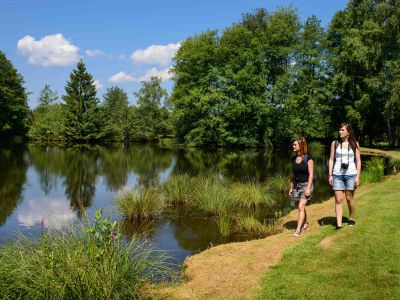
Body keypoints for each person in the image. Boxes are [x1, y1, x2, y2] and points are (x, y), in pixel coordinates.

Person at [328, 123, 361, 229]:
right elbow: (331, 159)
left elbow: (358, 161)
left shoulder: (354, 144)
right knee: (338, 199)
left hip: (351, 174)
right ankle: (338, 224)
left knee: (349, 198)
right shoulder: (335, 143)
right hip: (337, 174)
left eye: (342, 130)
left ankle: (351, 218)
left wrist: (357, 176)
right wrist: (330, 175)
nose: (340, 132)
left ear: (348, 132)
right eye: (339, 130)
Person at [289, 137, 314, 237]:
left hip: (306, 185)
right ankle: (305, 225)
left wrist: (308, 188)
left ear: (301, 146)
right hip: (297, 186)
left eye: (295, 145)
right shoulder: (293, 159)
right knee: (301, 207)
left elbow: (311, 174)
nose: (293, 146)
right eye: (293, 145)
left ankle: (298, 229)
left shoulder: (308, 158)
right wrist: (291, 187)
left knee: (300, 206)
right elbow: (292, 175)